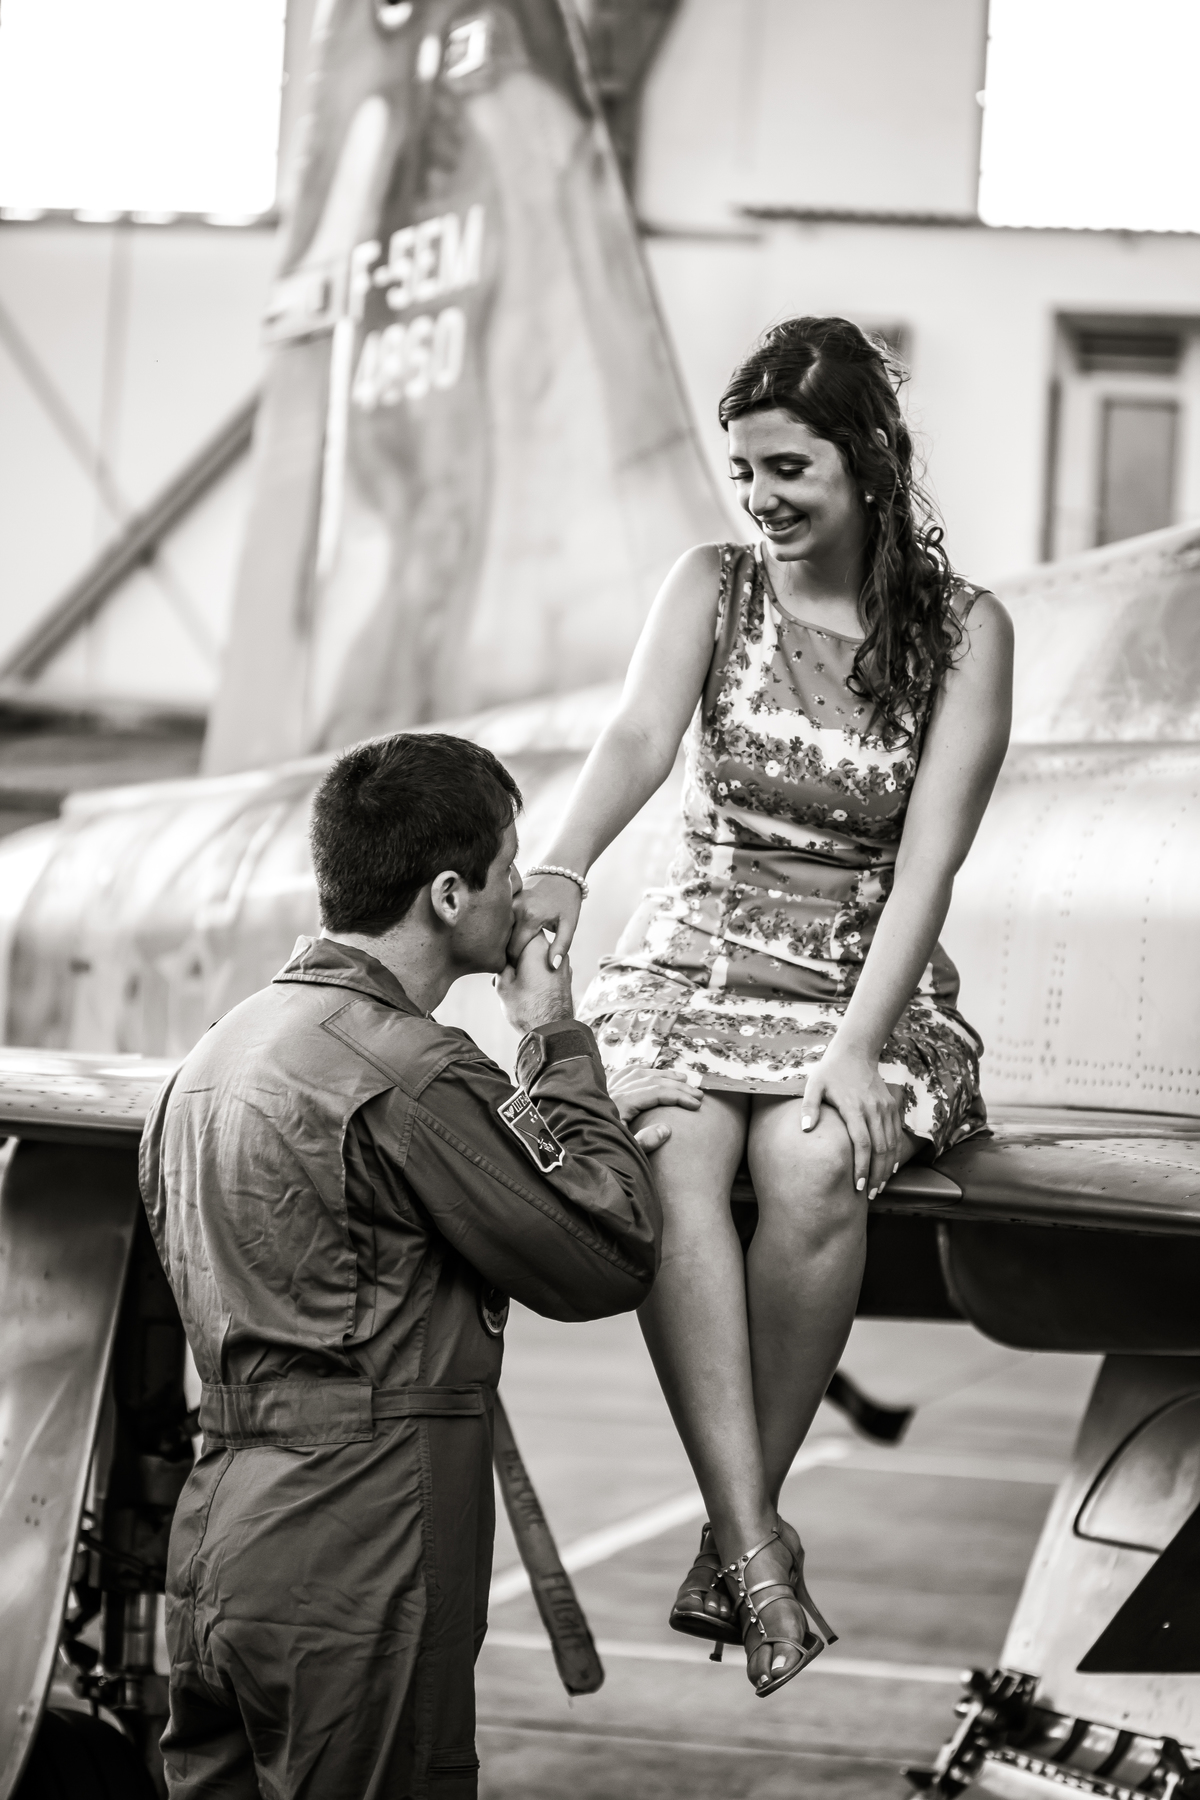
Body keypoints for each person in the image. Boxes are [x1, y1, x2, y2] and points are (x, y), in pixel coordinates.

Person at [511, 318, 1014, 1697]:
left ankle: (737, 1532)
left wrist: (859, 1048)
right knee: (674, 1145)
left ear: (868, 460)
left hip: (863, 974)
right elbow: (633, 739)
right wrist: (562, 868)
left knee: (813, 1158)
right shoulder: (713, 586)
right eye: (744, 473)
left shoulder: (965, 634)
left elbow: (932, 861)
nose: (763, 499)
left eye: (789, 468)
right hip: (692, 955)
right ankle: (751, 1547)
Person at [139, 731, 663, 1799]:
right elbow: (608, 1250)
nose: (526, 898)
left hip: (216, 1547)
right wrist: (555, 1041)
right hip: (361, 1556)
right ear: (449, 894)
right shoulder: (414, 1070)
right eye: (513, 872)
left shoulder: (211, 1058)